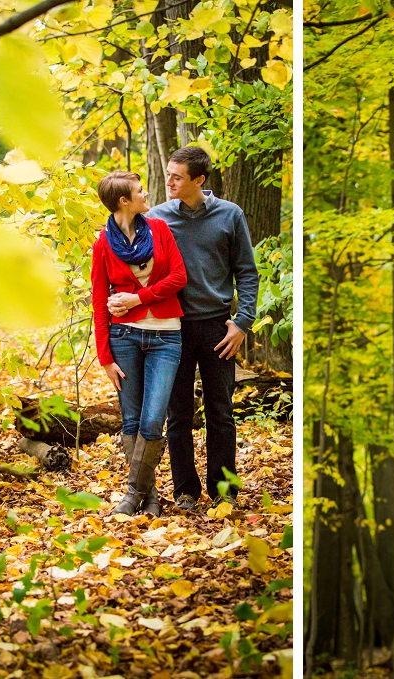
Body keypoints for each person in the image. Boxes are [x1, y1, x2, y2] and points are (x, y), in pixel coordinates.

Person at [144, 147, 259, 510]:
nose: (170, 181)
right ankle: (186, 491)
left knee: (220, 412)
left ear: (199, 179)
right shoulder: (156, 218)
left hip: (217, 329)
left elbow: (247, 271)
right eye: (168, 173)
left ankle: (225, 490)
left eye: (178, 176)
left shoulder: (230, 215)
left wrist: (242, 323)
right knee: (177, 413)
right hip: (171, 329)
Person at [91, 171, 187, 516]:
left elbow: (179, 276)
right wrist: (104, 357)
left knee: (152, 421)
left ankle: (132, 494)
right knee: (131, 420)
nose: (146, 194)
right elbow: (99, 300)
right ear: (123, 202)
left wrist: (136, 299)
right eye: (139, 191)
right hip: (124, 338)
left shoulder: (159, 230)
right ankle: (150, 498)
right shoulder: (103, 243)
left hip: (166, 336)